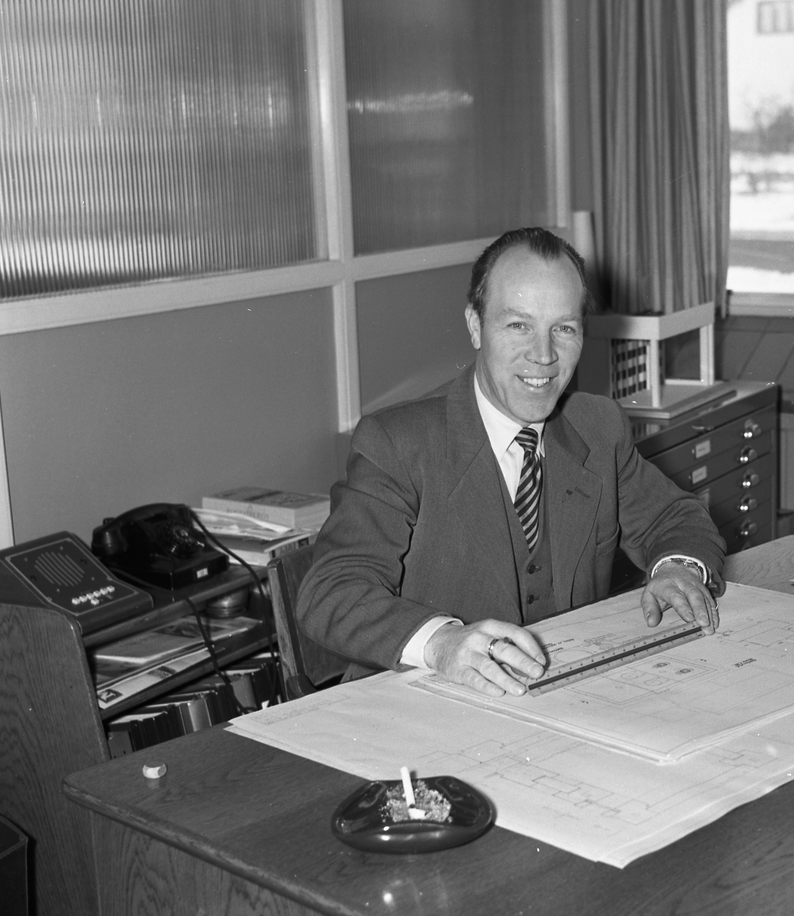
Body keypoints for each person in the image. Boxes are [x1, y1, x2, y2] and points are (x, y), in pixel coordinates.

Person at [297, 227, 725, 697]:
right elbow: (332, 591)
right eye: (519, 325)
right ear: (475, 326)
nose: (543, 355)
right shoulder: (399, 443)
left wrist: (677, 568)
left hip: (559, 697)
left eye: (563, 328)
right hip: (419, 701)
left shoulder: (598, 427)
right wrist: (441, 643)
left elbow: (675, 518)